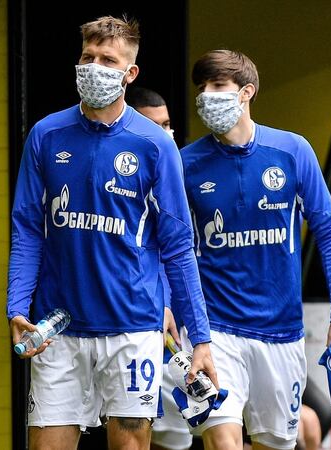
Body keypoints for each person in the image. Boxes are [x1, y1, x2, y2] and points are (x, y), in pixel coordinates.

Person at [7, 16, 217, 450]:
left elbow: (178, 247)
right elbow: (28, 229)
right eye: (88, 57)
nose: (95, 66)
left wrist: (201, 339)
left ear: (130, 72)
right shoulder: (46, 135)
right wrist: (15, 306)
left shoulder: (155, 145)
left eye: (108, 59)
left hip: (133, 327)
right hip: (58, 327)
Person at [180, 49, 331, 450]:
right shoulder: (184, 164)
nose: (207, 95)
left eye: (218, 86)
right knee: (223, 442)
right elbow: (169, 247)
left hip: (281, 334)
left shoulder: (293, 151)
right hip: (214, 332)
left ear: (247, 92)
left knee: (275, 444)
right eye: (202, 87)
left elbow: (329, 230)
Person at [127, 85, 194, 450]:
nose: (164, 134)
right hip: (152, 330)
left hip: (202, 333)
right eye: (156, 126)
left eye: (168, 125)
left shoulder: (185, 170)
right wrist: (165, 303)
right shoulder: (131, 181)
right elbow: (159, 255)